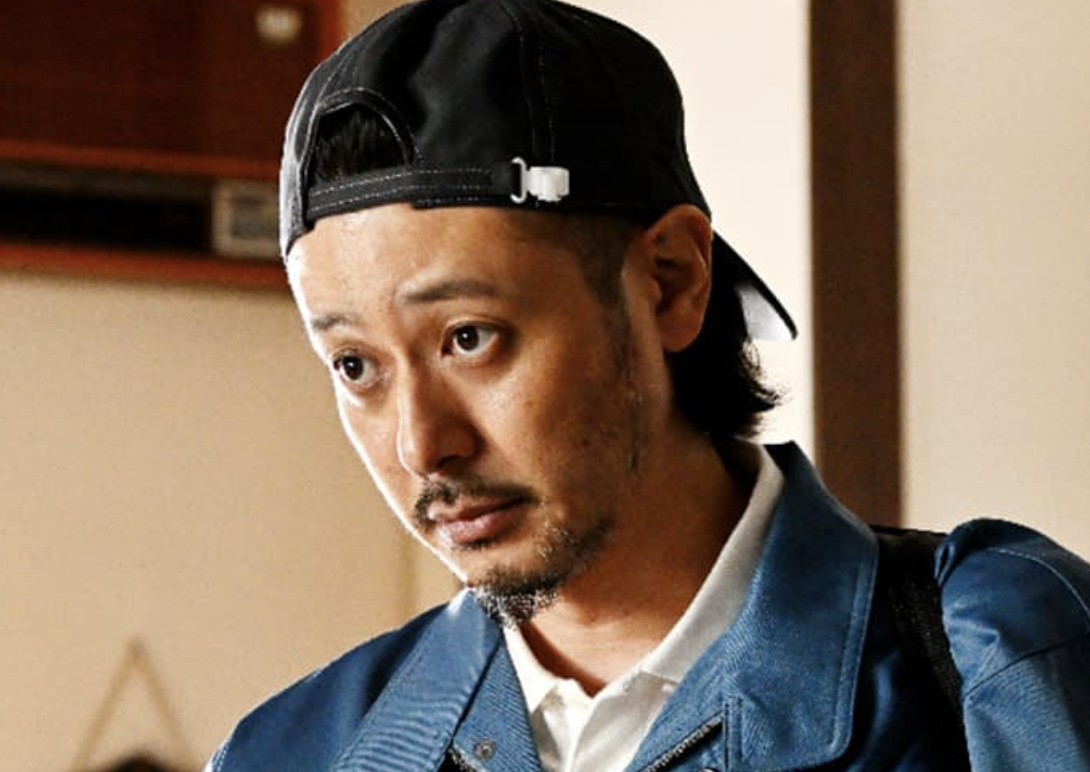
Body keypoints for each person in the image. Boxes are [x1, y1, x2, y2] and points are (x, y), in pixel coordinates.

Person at [205, 1, 1090, 770]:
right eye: (355, 366)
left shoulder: (999, 661)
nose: (422, 445)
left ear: (669, 282)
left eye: (469, 339)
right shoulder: (294, 751)